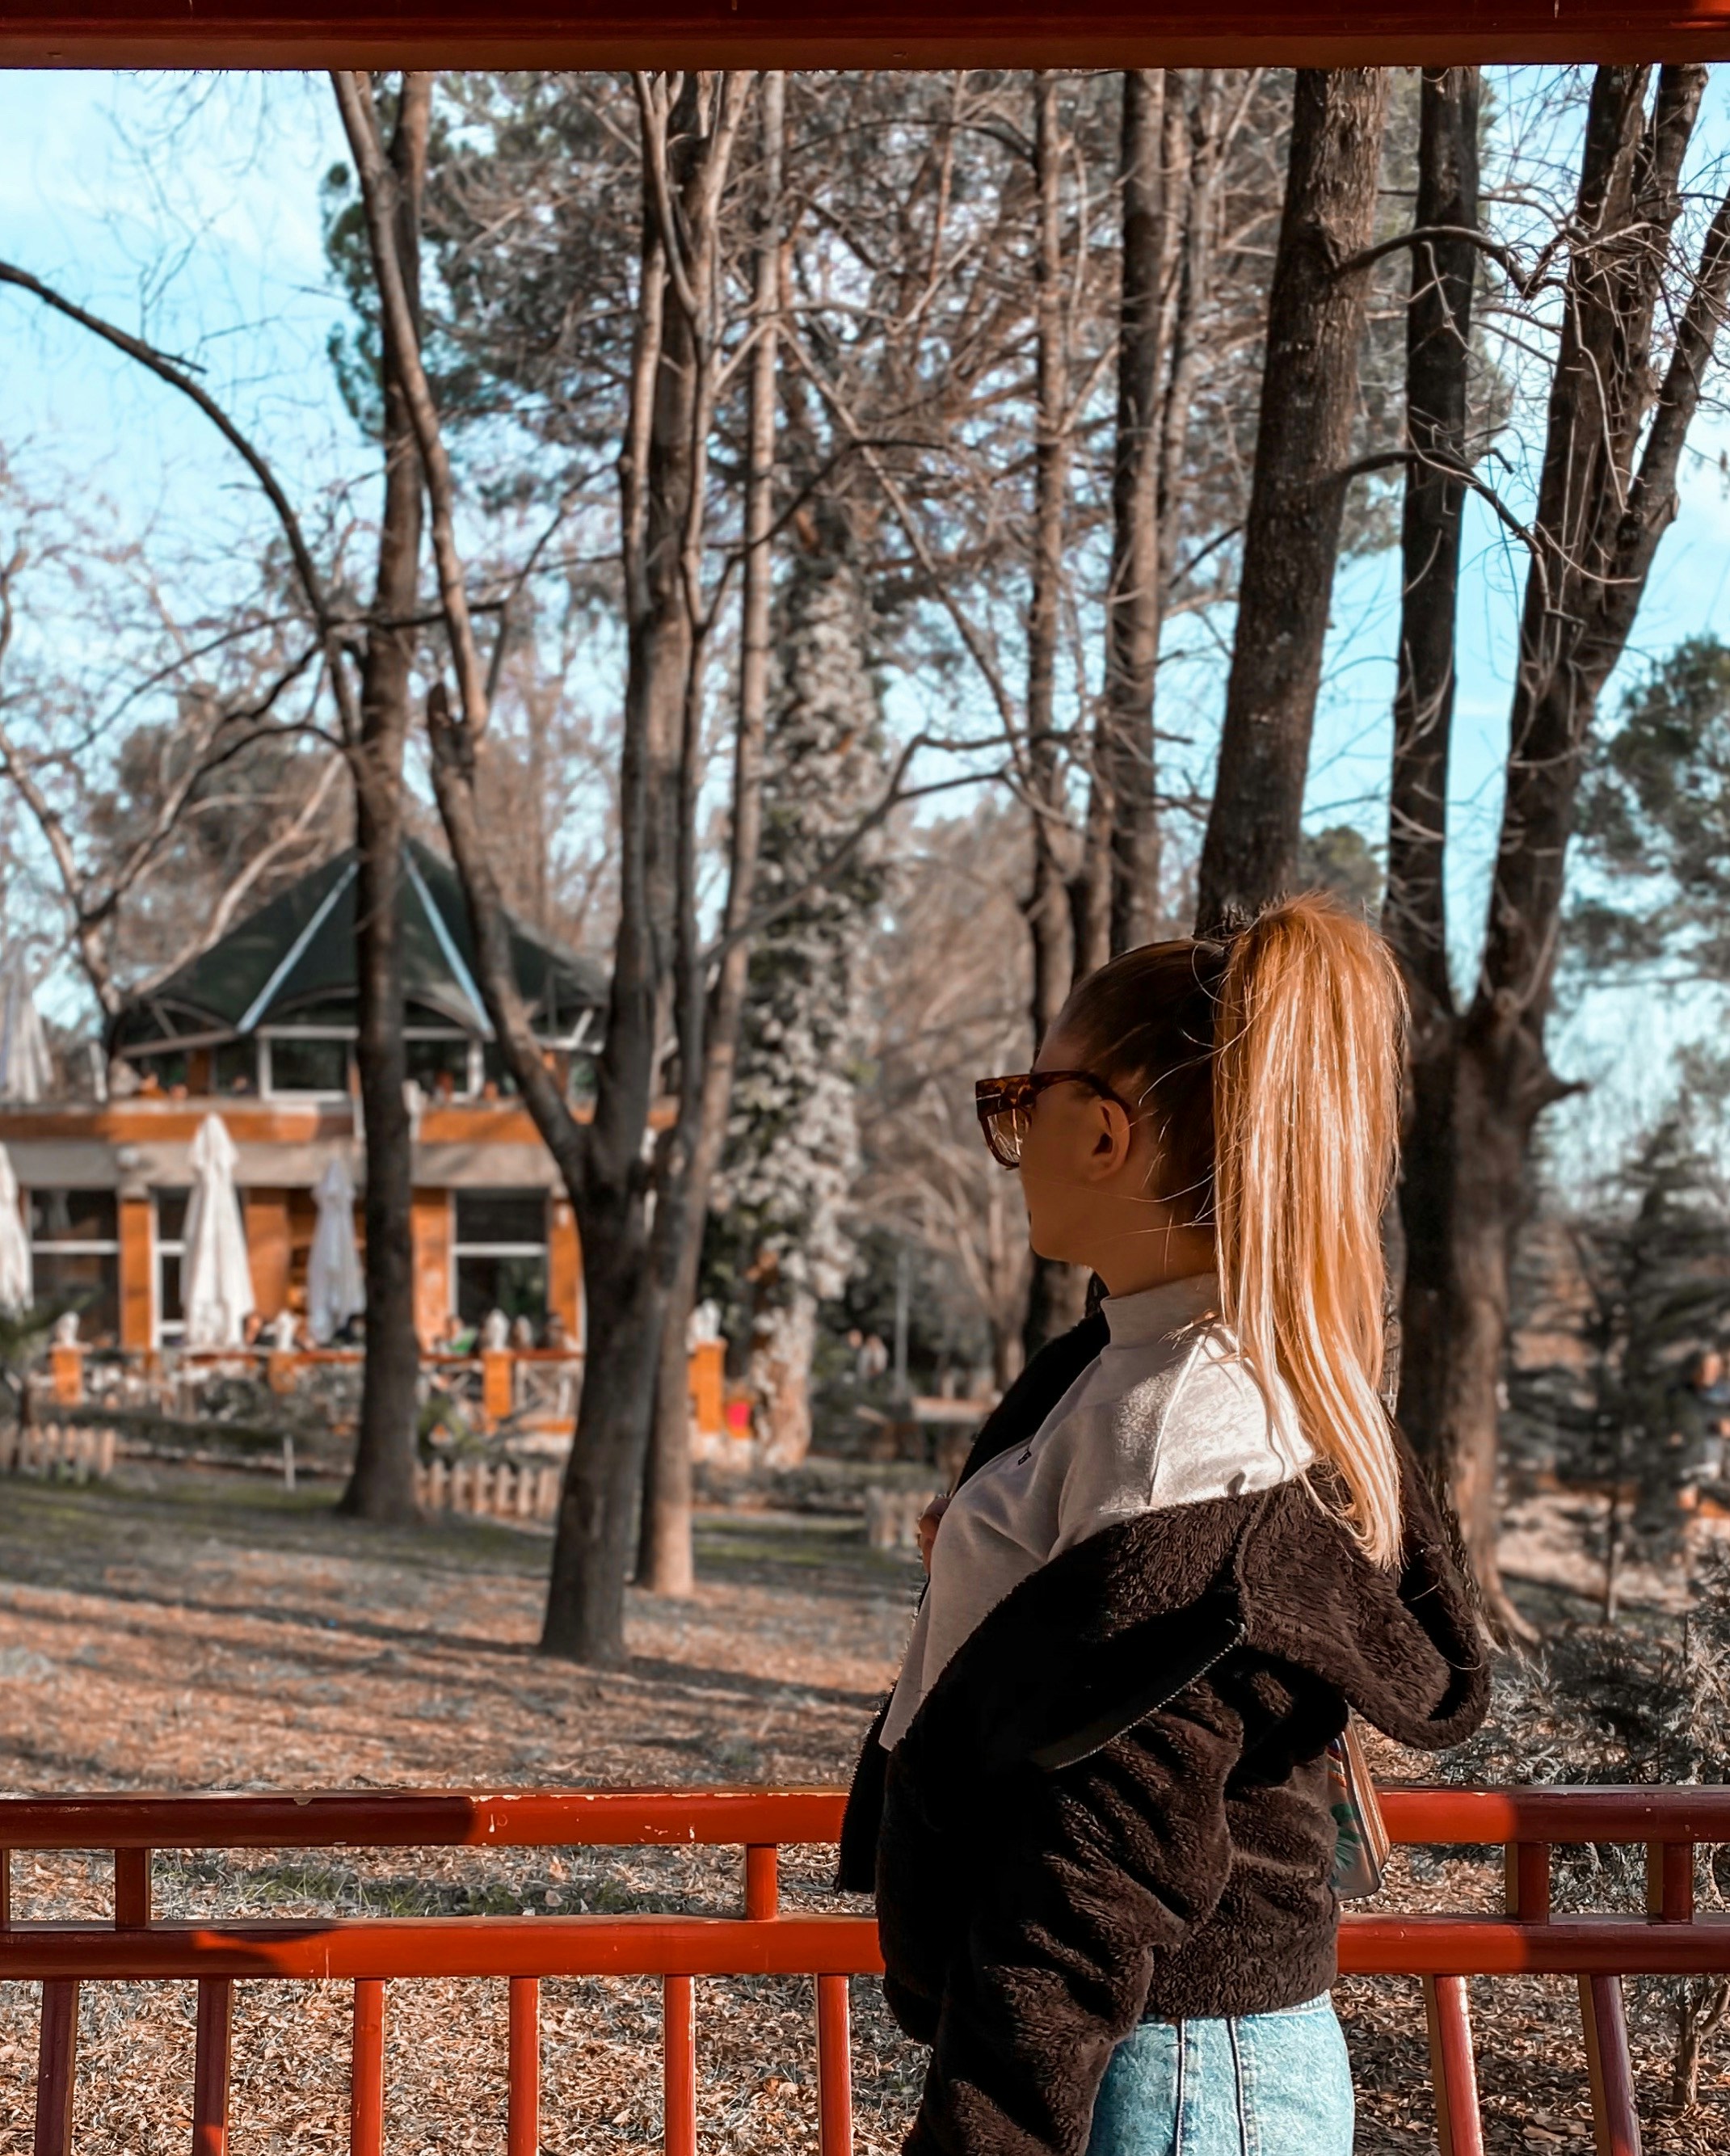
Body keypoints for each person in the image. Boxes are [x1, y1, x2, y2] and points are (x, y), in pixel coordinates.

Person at [837, 895, 1488, 2156]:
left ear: (1105, 1132)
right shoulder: (1139, 1371)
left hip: (1166, 2071)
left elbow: (1107, 1850)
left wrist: (987, 2130)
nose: (1008, 1133)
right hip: (1166, 2060)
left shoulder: (1187, 1424)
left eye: (1024, 1100)